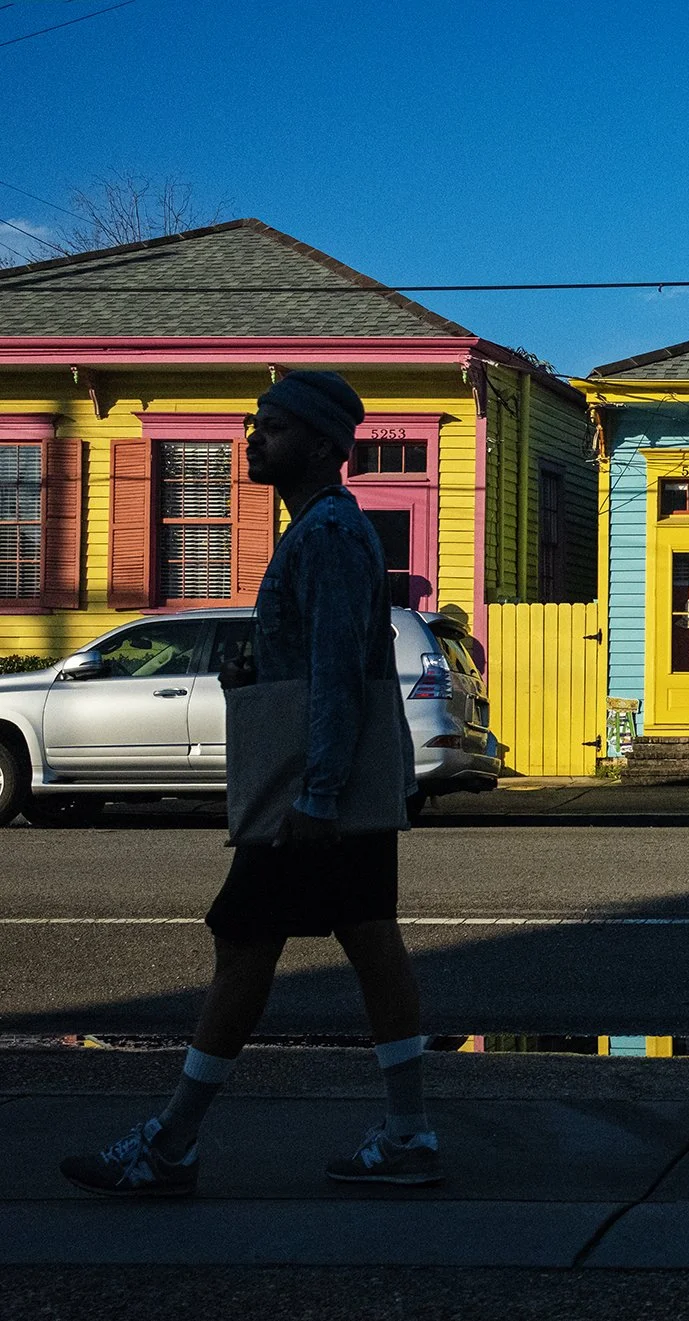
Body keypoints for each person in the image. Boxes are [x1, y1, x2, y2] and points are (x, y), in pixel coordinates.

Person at [62, 371, 437, 1196]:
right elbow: (321, 662)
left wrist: (318, 794)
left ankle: (172, 1144)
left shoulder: (327, 533)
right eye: (254, 422)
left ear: (323, 444)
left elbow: (339, 672)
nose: (253, 437)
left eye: (273, 425)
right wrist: (257, 675)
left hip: (312, 790)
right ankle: (408, 1132)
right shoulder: (322, 529)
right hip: (328, 782)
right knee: (367, 938)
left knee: (245, 940)